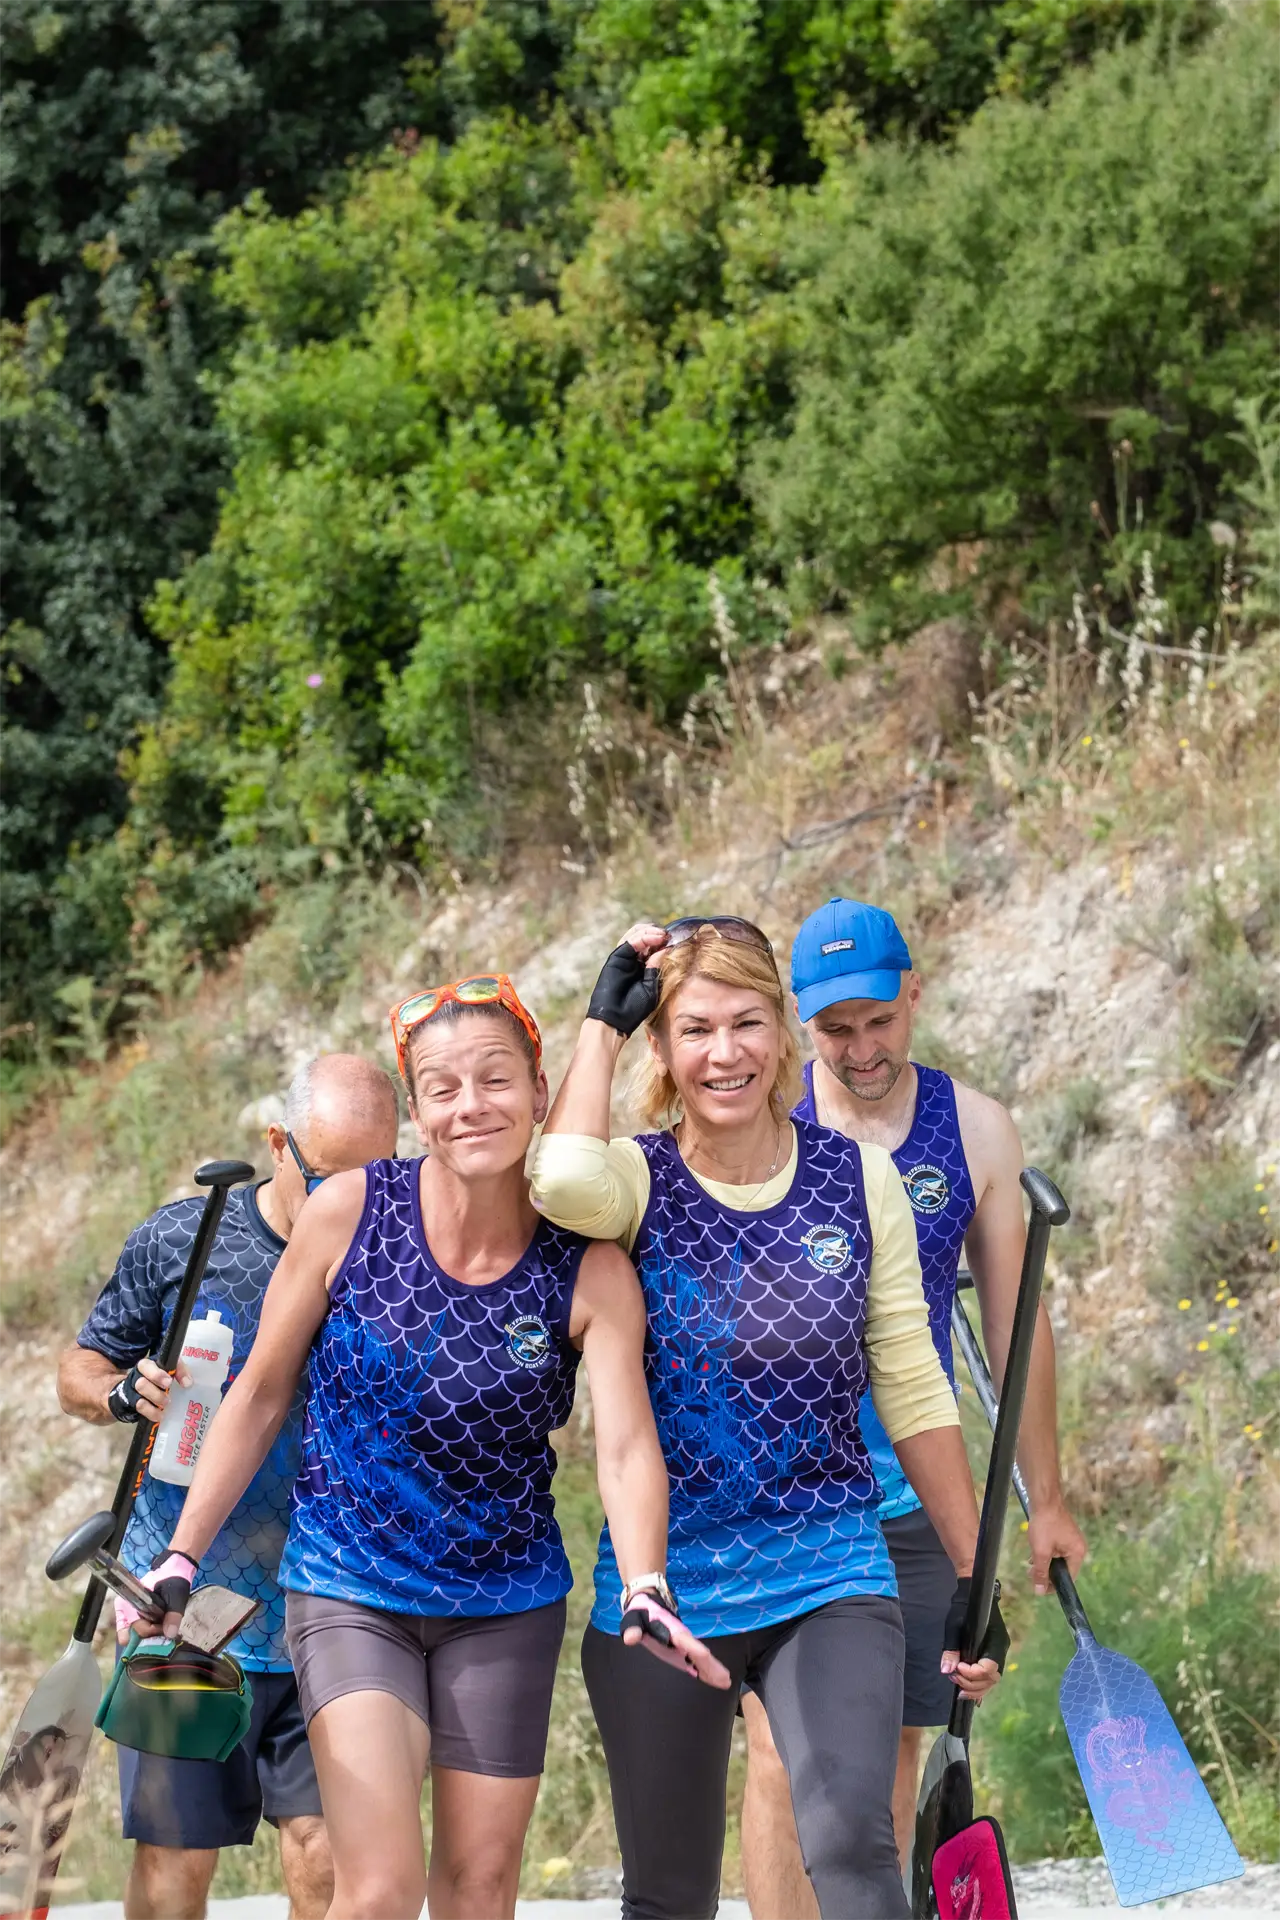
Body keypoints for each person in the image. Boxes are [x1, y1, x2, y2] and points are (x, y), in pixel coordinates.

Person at [118, 973, 725, 1920]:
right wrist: (179, 1556)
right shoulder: (350, 1212)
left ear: (539, 1090)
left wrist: (645, 1582)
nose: (471, 1106)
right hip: (352, 1584)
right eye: (442, 1088)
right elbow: (261, 1393)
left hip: (505, 1597)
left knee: (480, 1891)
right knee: (379, 1889)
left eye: (495, 1080)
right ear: (416, 1110)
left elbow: (625, 1448)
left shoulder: (590, 1267)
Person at [529, 918, 1009, 1920]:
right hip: (668, 1581)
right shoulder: (633, 1179)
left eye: (746, 1023)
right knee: (668, 1892)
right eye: (694, 1029)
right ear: (663, 1048)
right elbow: (560, 1178)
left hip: (827, 1563)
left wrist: (973, 1573)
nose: (724, 1052)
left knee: (849, 1841)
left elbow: (913, 1387)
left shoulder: (853, 1179)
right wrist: (598, 1029)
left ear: (781, 1032)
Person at [739, 897, 1089, 1911]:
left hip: (909, 1487)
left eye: (877, 1021)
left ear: (912, 997)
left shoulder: (973, 1131)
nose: (858, 1048)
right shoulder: (761, 1124)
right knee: (776, 1754)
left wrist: (1046, 1501)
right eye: (833, 1029)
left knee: (888, 1747)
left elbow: (1016, 1331)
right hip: (777, 1497)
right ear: (800, 1025)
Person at [57, 1053, 400, 1920]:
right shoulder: (186, 1239)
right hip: (186, 1610)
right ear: (278, 1145)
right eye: (328, 1176)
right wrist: (117, 1392)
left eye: (381, 1174)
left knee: (326, 1853)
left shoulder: (399, 1251)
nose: (353, 1203)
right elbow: (79, 1365)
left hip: (333, 1605)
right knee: (177, 1866)